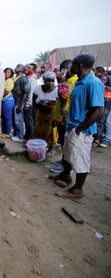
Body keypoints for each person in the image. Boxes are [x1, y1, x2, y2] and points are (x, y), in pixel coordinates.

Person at [52, 54, 104, 199]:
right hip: (73, 126)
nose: (70, 68)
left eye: (73, 65)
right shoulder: (80, 81)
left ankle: (77, 189)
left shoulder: (93, 83)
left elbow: (99, 111)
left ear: (80, 65)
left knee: (81, 159)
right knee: (69, 154)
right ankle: (65, 176)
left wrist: (79, 129)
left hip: (82, 130)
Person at [34, 71, 58, 151]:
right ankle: (40, 147)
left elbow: (58, 104)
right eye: (48, 81)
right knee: (39, 130)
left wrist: (49, 104)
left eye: (52, 81)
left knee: (50, 131)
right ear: (44, 80)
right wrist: (40, 104)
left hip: (51, 115)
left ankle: (50, 148)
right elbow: (34, 100)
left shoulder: (57, 90)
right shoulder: (38, 88)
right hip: (41, 114)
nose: (50, 83)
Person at [11, 64, 30, 143]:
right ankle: (16, 134)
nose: (16, 67)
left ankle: (20, 136)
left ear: (22, 69)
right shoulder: (15, 78)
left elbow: (26, 92)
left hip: (19, 102)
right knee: (15, 119)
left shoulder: (23, 78)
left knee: (19, 120)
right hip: (14, 101)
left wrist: (20, 105)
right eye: (16, 66)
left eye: (19, 66)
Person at [24, 63, 38, 140]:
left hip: (30, 104)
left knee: (29, 121)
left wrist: (28, 104)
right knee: (27, 120)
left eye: (29, 68)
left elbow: (31, 93)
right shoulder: (28, 77)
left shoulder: (32, 79)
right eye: (27, 67)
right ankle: (27, 135)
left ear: (33, 70)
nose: (26, 69)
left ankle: (32, 137)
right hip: (28, 103)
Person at [97, 74, 111, 148]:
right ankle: (99, 138)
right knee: (100, 122)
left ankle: (106, 139)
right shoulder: (99, 86)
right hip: (101, 106)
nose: (103, 81)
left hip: (107, 107)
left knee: (107, 123)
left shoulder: (107, 87)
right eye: (102, 79)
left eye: (105, 80)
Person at [1, 68, 15, 137]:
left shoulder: (9, 80)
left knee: (7, 117)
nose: (6, 73)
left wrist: (0, 97)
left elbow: (7, 91)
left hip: (8, 101)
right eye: (5, 72)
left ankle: (7, 132)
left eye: (8, 72)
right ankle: (4, 131)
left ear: (11, 74)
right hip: (5, 101)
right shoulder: (4, 80)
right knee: (4, 117)